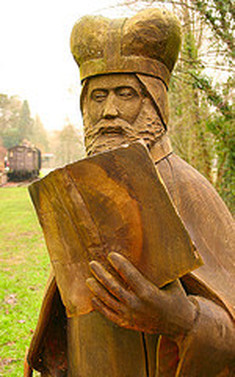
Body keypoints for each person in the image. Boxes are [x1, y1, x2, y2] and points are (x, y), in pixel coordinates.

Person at [25, 8, 235, 377]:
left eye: (126, 94)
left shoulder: (187, 188)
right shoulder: (83, 185)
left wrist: (181, 318)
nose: (109, 111)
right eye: (98, 96)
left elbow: (229, 333)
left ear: (156, 101)